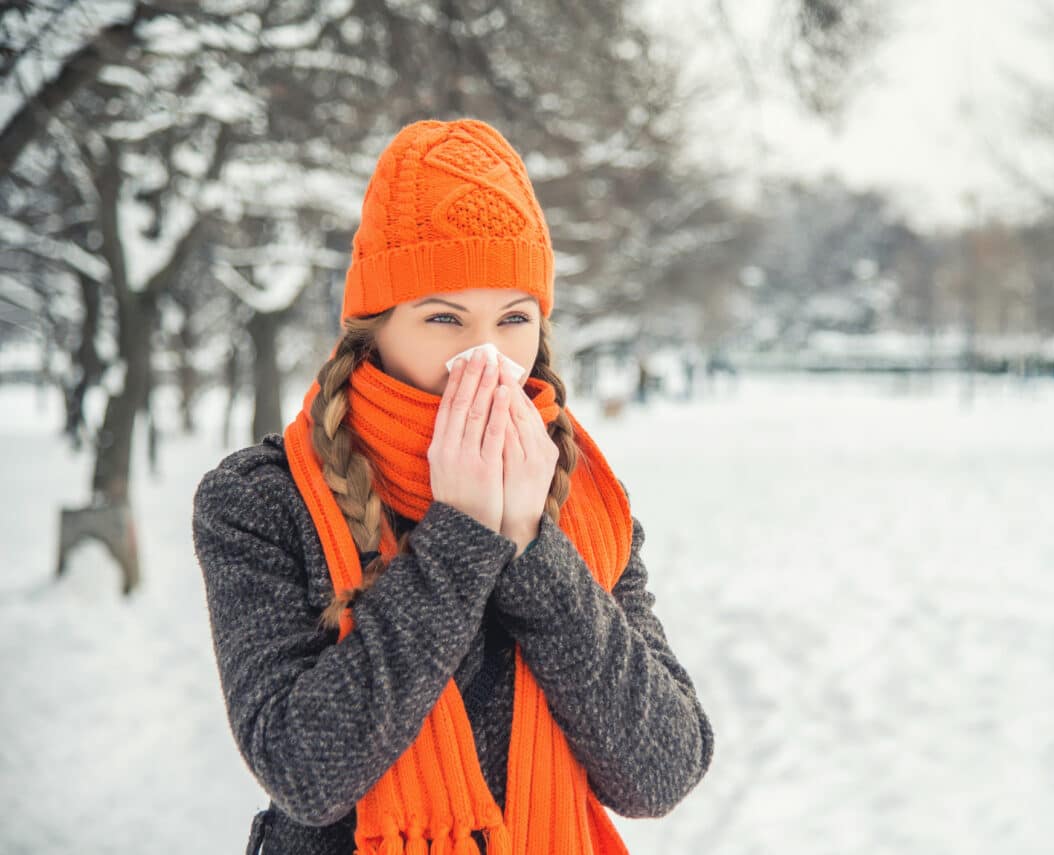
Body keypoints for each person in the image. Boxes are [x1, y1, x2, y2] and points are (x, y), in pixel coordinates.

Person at [191, 118, 714, 855]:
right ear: (373, 329)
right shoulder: (262, 500)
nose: (489, 357)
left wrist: (532, 546)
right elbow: (303, 770)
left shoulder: (587, 501)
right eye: (444, 317)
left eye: (513, 318)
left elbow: (661, 770)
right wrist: (464, 535)